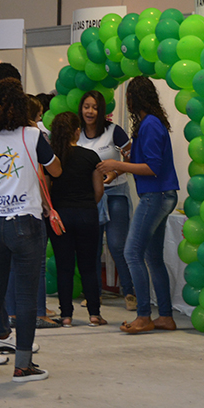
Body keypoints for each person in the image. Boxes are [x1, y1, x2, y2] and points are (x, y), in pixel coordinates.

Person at [0, 77, 61, 382]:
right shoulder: (32, 135)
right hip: (25, 223)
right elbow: (56, 169)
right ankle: (23, 366)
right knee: (25, 297)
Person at [98, 77, 179, 335]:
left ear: (134, 98)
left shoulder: (150, 124)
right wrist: (120, 168)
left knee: (132, 252)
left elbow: (152, 168)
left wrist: (117, 164)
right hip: (161, 194)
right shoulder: (150, 123)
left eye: (129, 98)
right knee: (153, 257)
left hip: (156, 195)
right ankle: (165, 316)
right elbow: (144, 163)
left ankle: (144, 315)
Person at [46, 111, 105, 327]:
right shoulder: (90, 156)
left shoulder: (52, 159)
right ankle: (94, 314)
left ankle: (66, 315)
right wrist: (87, 204)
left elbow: (46, 189)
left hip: (60, 216)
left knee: (64, 267)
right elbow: (99, 190)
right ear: (77, 132)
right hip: (86, 214)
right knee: (88, 266)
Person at [77, 90, 134, 310]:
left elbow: (131, 158)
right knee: (92, 248)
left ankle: (130, 293)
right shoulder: (77, 133)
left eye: (95, 107)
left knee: (117, 245)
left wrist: (116, 172)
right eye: (86, 107)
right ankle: (94, 294)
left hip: (116, 193)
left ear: (101, 111)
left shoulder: (114, 131)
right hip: (89, 198)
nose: (90, 112)